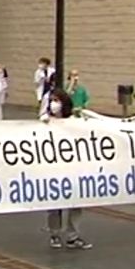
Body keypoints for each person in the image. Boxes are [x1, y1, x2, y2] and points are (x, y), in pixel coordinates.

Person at [41, 89, 93, 249]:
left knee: (75, 204)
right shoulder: (46, 121)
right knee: (54, 205)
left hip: (73, 168)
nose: (53, 104)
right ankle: (54, 234)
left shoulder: (73, 121)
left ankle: (73, 236)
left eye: (56, 100)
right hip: (54, 168)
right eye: (51, 100)